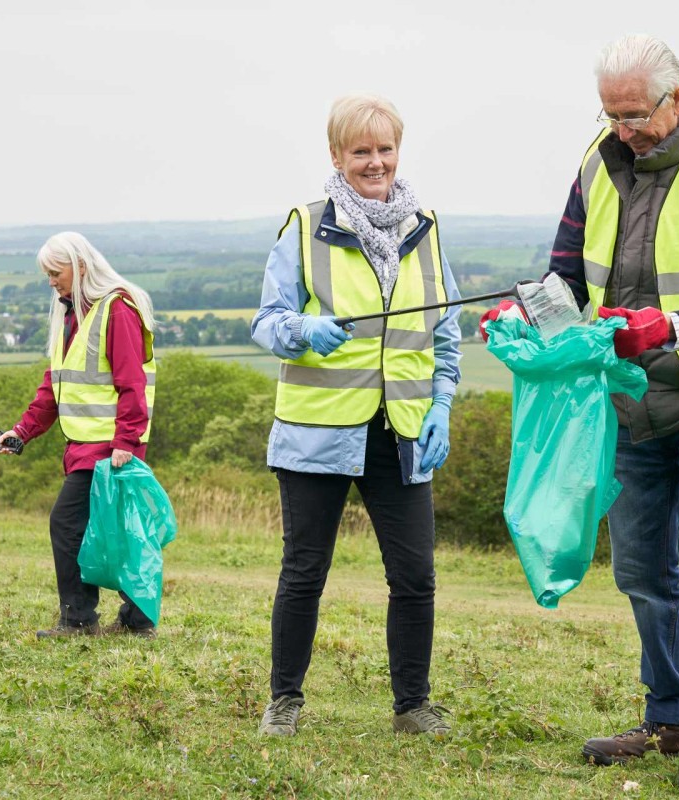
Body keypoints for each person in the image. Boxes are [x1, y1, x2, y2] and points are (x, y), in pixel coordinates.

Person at [507, 34, 679, 793]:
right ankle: (670, 719)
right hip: (626, 400)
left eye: (634, 114)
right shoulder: (597, 163)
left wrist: (672, 325)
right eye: (610, 113)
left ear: (677, 99)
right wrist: (528, 311)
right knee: (640, 571)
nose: (622, 129)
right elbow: (563, 275)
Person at [250, 94, 462, 738]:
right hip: (317, 434)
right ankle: (283, 702)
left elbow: (445, 333)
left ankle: (412, 707)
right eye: (361, 151)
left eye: (385, 149)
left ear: (399, 151)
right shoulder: (306, 227)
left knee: (415, 577)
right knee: (304, 573)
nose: (376, 162)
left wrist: (442, 406)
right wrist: (301, 330)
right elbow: (266, 321)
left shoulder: (425, 227)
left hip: (401, 435)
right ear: (337, 156)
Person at [0, 232, 158, 640]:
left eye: (56, 272)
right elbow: (53, 388)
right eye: (47, 274)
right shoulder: (71, 316)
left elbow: (131, 384)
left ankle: (79, 620)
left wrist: (125, 442)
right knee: (113, 531)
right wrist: (21, 432)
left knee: (67, 524)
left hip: (109, 449)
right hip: (86, 447)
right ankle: (137, 621)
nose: (51, 281)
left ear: (82, 266)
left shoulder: (117, 311)